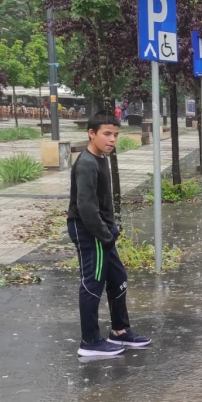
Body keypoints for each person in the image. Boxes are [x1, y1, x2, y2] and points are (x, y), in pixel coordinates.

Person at [67, 112, 152, 357]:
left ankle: (120, 331)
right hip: (89, 230)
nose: (112, 139)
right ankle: (90, 341)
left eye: (115, 134)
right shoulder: (87, 163)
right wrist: (105, 235)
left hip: (101, 230)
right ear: (91, 133)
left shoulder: (100, 158)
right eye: (107, 134)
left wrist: (110, 230)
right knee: (92, 284)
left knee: (118, 278)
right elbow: (86, 207)